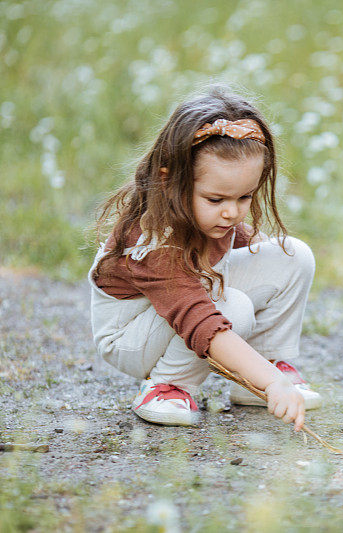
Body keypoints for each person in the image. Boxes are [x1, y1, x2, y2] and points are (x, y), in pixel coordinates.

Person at [89, 86, 320, 429]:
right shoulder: (153, 240)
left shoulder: (213, 218)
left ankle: (263, 369)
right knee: (232, 306)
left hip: (189, 309)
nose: (232, 213)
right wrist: (273, 382)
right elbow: (200, 317)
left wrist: (266, 376)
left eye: (244, 197)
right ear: (170, 182)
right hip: (131, 336)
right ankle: (169, 386)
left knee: (292, 256)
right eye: (216, 199)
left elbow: (265, 265)